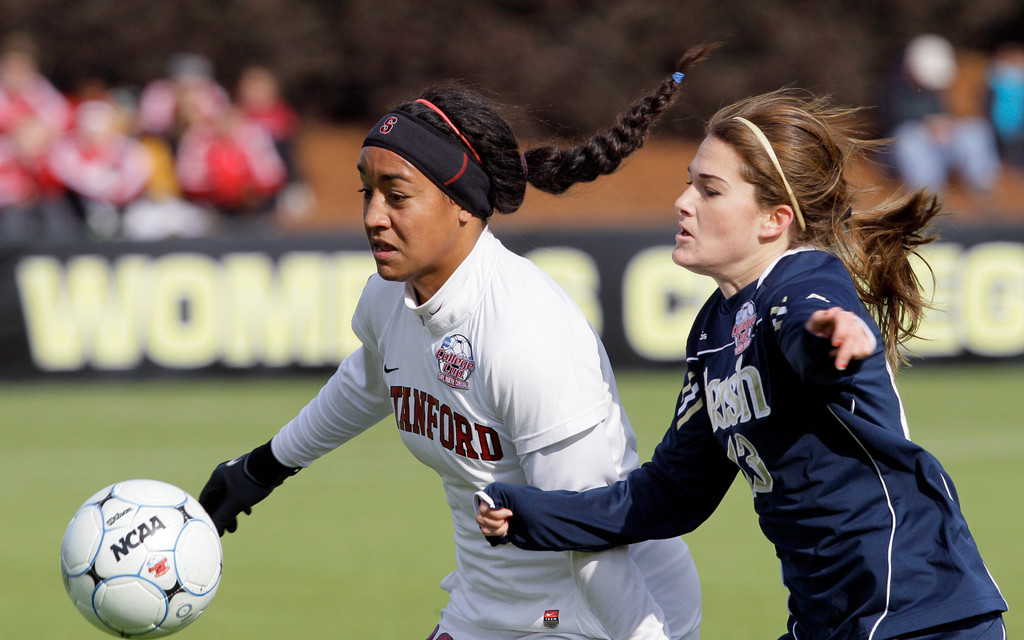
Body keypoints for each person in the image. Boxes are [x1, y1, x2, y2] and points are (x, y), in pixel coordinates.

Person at [198, 44, 716, 640]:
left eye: (398, 195)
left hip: (598, 614)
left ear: (464, 205)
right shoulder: (389, 298)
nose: (373, 216)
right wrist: (262, 468)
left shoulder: (527, 336)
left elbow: (592, 535)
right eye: (366, 192)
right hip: (484, 607)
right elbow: (374, 378)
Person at [477, 88, 1009, 640]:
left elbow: (807, 330)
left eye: (709, 189)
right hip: (829, 622)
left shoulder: (806, 280)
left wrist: (829, 339)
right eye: (690, 182)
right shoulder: (713, 327)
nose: (683, 201)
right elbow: (673, 494)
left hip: (919, 614)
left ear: (774, 220)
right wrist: (529, 514)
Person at [878, 34, 1001, 195]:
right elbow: (892, 123)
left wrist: (946, 124)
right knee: (909, 138)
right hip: (904, 151)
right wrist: (927, 127)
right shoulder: (892, 91)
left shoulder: (940, 90)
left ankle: (981, 182)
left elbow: (950, 113)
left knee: (975, 129)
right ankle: (926, 191)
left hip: (941, 143)